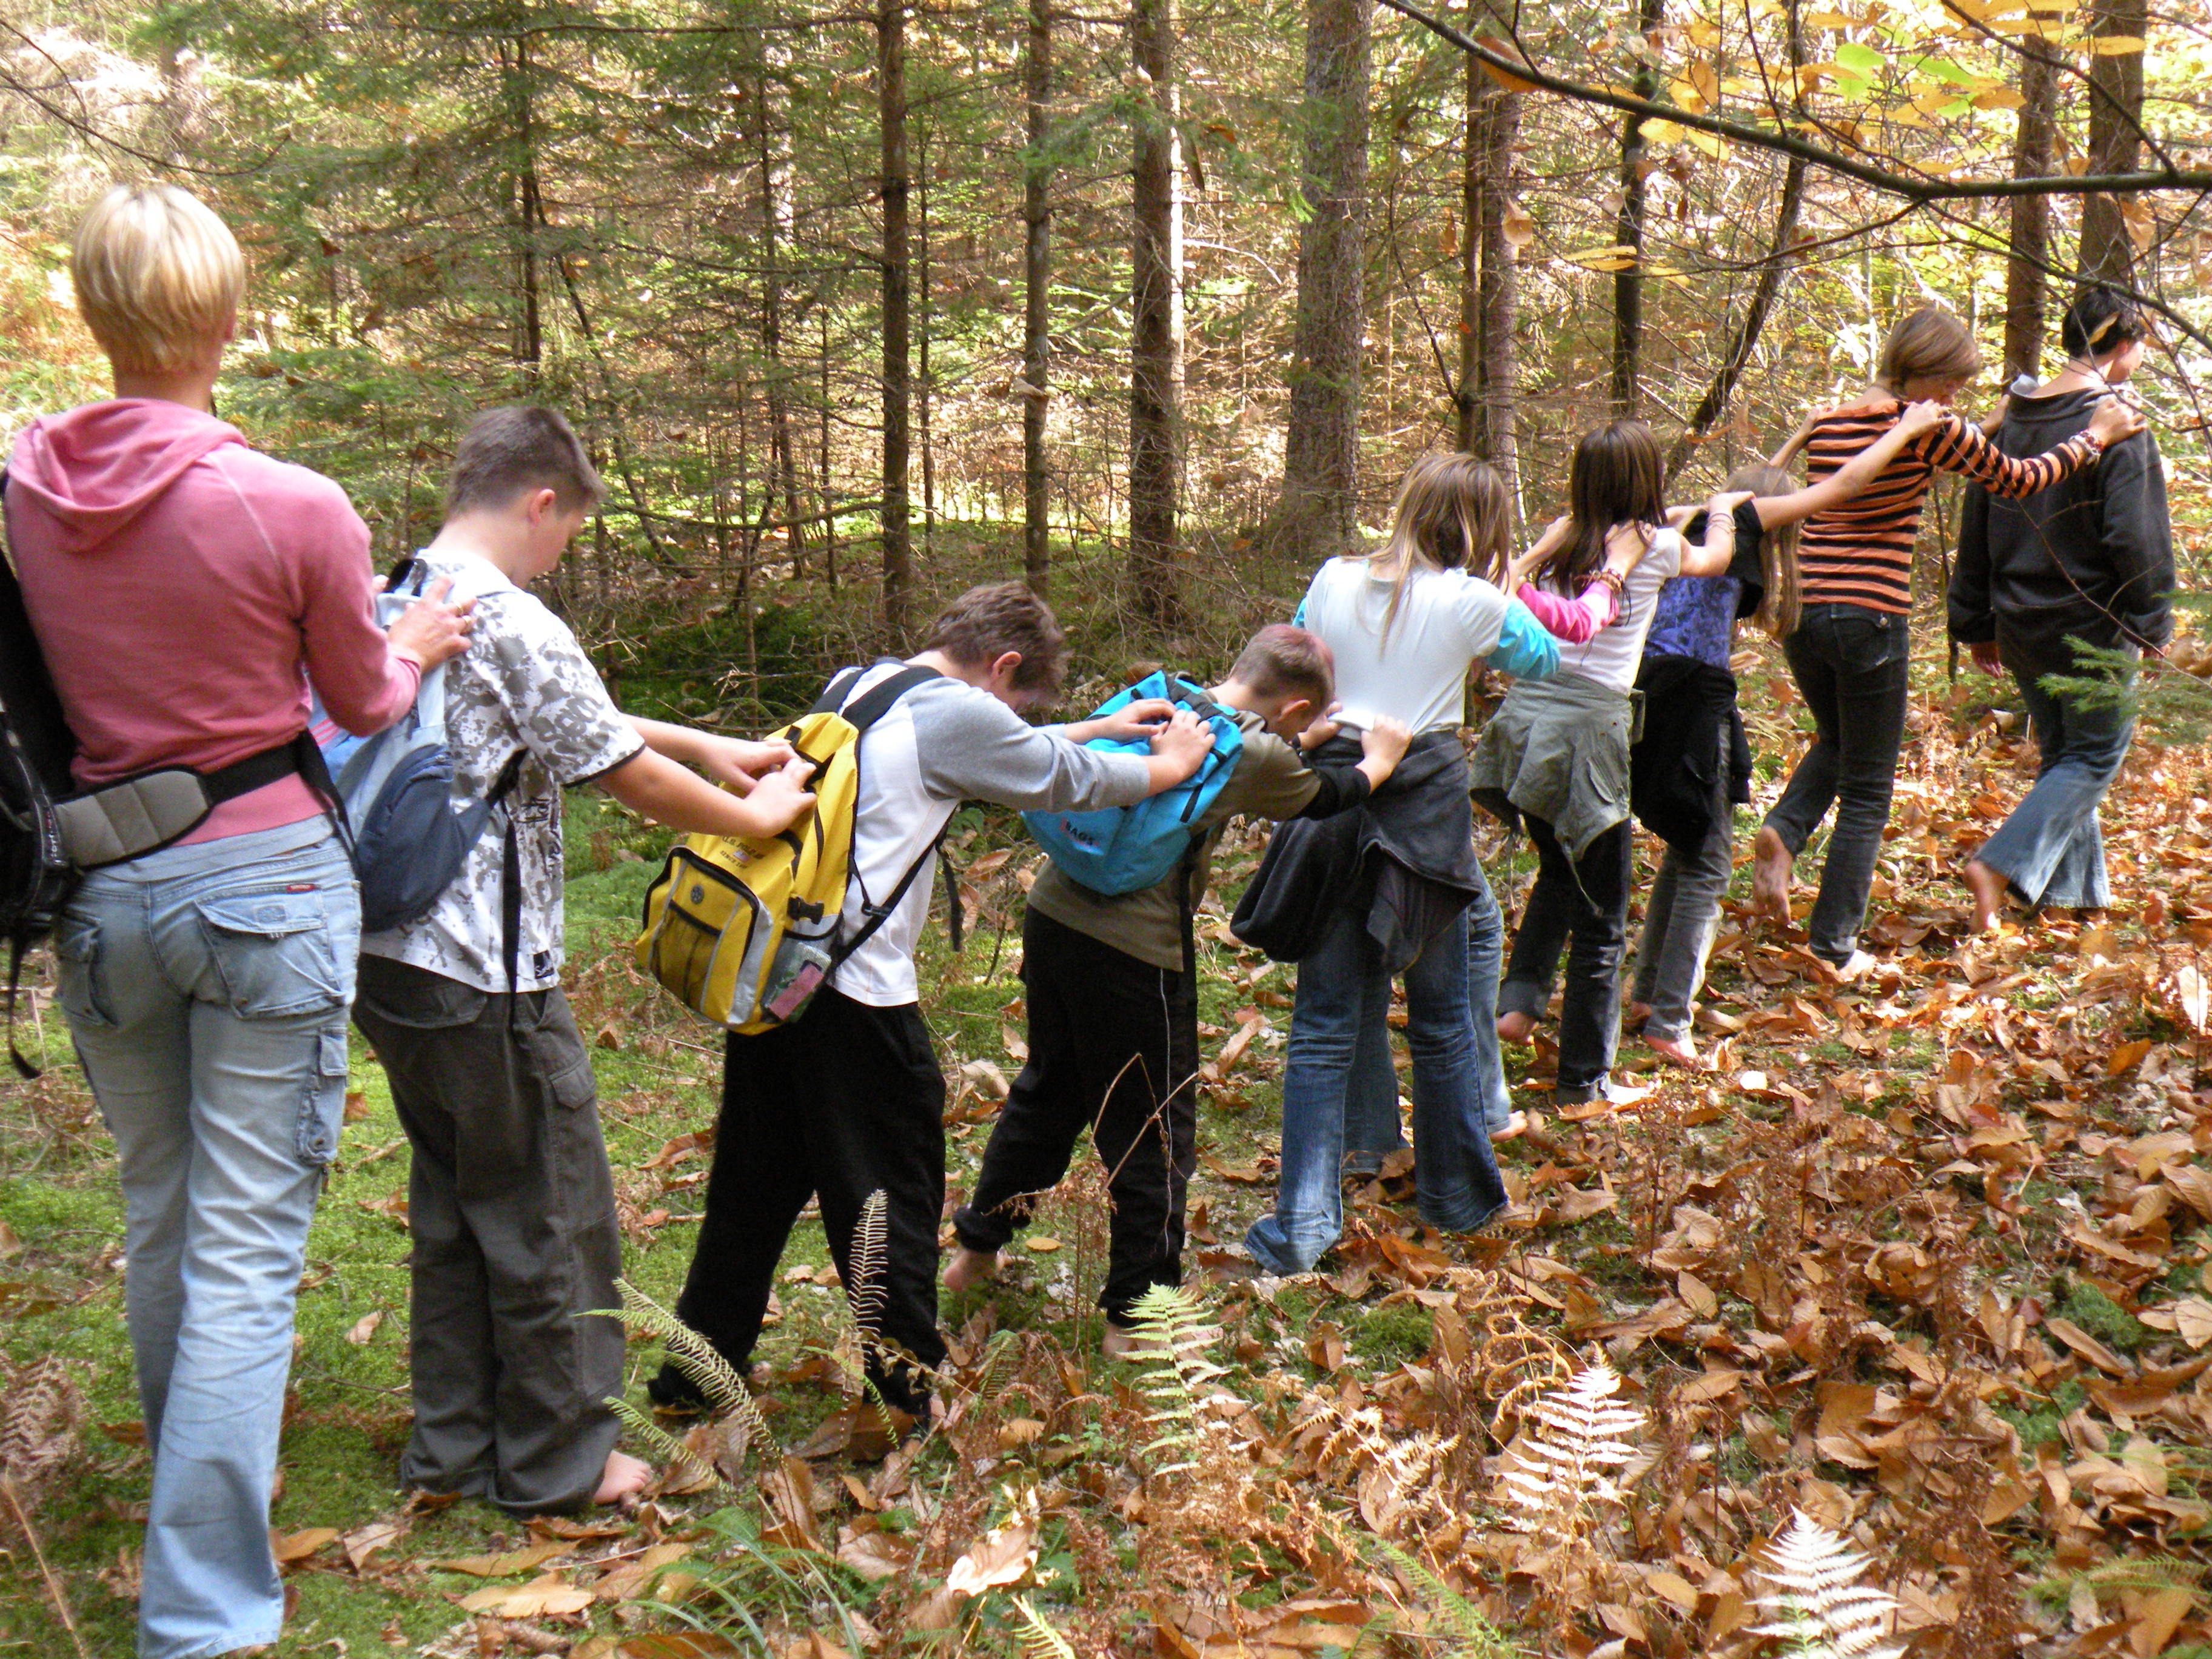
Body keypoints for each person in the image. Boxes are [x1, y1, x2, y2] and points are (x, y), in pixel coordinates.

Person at [3, 184, 474, 1659]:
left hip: (101, 890)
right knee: (252, 1240)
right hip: (265, 885)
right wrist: (409, 639)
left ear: (93, 312)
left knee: (162, 1208)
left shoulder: (25, 492)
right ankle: (204, 1606)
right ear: (222, 319)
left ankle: (200, 1477)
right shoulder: (291, 502)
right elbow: (360, 702)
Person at [349, 406, 816, 1515]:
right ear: (539, 502)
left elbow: (567, 720)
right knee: (554, 1210)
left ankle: (455, 1447)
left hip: (392, 961)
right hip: (485, 977)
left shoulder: (399, 593)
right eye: (567, 531)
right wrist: (759, 816)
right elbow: (624, 776)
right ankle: (560, 1459)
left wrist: (704, 742)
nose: (562, 551)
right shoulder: (508, 612)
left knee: (460, 1203)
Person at [648, 582, 1216, 1425]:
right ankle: (910, 1389)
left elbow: (993, 750)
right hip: (858, 1001)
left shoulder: (864, 683)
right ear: (1005, 664)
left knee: (752, 1186)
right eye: (1022, 700)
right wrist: (1169, 766)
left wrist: (1093, 728)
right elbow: (1051, 776)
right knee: (890, 1197)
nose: (1019, 719)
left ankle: (696, 1374)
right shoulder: (956, 714)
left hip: (785, 977)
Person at [943, 625, 1410, 1355]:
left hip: (1054, 917)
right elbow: (1326, 796)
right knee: (1154, 1134)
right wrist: (1379, 759)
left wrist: (1298, 737)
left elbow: (1261, 761)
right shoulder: (1253, 755)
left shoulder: (1158, 696)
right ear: (1292, 711)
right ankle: (1135, 1318)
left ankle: (975, 1253)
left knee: (1048, 1092)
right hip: (1136, 954)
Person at [1236, 454, 1604, 1275]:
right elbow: (1544, 659)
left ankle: (1299, 1231)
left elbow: (1303, 652)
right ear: (1483, 530)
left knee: (1323, 1024)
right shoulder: (1474, 601)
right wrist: (1505, 594)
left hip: (1333, 788)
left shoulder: (1332, 578)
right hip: (1424, 804)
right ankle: (1460, 1201)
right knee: (1439, 1021)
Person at [1749, 304, 2145, 977]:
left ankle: (1783, 832)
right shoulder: (1927, 426)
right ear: (1927, 373)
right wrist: (2096, 436)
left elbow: (1935, 457)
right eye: (1953, 384)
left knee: (1839, 742)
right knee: (1871, 789)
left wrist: (1983, 424)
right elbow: (2019, 480)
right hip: (1870, 615)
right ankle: (1833, 947)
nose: (1955, 398)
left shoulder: (1839, 419)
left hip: (1803, 614)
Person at [1626, 403, 1949, 1067]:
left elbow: (1755, 488)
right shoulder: (1743, 535)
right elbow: (1836, 489)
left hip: (1646, 693)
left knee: (1687, 844)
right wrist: (1908, 431)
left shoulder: (1692, 519)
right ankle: (1669, 1020)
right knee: (1710, 861)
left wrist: (1801, 434)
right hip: (1694, 703)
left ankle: (1646, 993)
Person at [1474, 421, 1695, 1108]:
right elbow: (1715, 556)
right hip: (1583, 737)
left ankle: (1518, 1002)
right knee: (1603, 914)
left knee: (1560, 871)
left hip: (1525, 725)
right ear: (1650, 482)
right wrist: (1723, 510)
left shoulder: (1558, 541)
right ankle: (1584, 1083)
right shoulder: (1654, 550)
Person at [1949, 287, 2174, 933]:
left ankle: (2073, 897)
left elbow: (1978, 517)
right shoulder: (2118, 422)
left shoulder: (2013, 417)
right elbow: (2136, 536)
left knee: (2063, 757)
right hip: (2089, 621)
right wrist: (2152, 619)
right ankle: (1998, 865)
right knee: (2094, 758)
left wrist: (1974, 620)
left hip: (2018, 619)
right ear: (2126, 346)